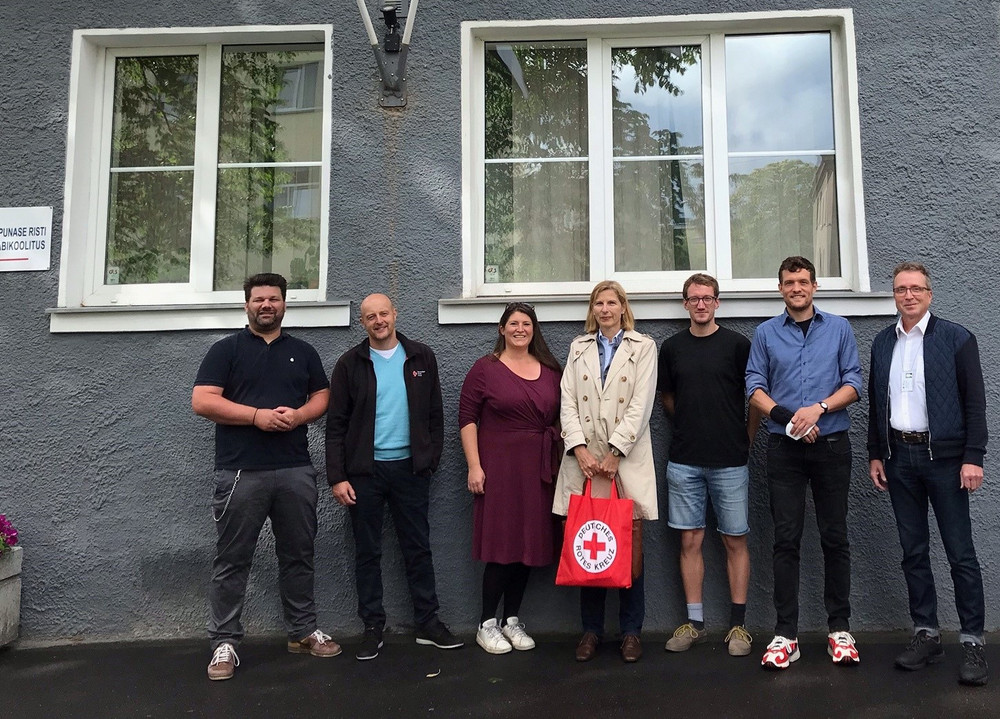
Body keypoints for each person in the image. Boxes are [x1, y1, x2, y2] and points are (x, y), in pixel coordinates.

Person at [193, 273, 341, 682]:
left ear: (284, 304)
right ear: (246, 305)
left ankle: (303, 631)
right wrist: (256, 417)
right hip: (240, 471)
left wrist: (300, 415)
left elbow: (322, 396)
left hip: (295, 469)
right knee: (232, 560)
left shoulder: (304, 352)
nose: (266, 305)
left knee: (299, 554)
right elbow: (202, 400)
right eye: (258, 299)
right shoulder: (226, 351)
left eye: (273, 299)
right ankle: (224, 643)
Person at [868, 262, 988, 686]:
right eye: (901, 289)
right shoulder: (883, 343)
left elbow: (975, 403)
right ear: (894, 296)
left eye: (916, 288)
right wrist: (876, 453)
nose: (909, 295)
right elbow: (876, 404)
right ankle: (927, 633)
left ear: (930, 294)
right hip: (899, 459)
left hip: (948, 462)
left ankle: (972, 640)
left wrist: (974, 456)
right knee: (913, 551)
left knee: (960, 553)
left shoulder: (957, 339)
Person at [326, 293, 462, 661]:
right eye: (370, 316)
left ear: (395, 314)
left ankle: (428, 624)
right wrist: (337, 477)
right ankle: (373, 627)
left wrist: (430, 459)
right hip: (364, 474)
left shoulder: (420, 357)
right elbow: (335, 425)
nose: (378, 320)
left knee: (417, 548)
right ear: (363, 322)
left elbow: (435, 413)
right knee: (367, 552)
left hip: (410, 471)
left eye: (383, 313)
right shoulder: (350, 363)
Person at [745, 256, 863, 670]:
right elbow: (754, 386)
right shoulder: (764, 334)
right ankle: (786, 634)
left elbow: (853, 382)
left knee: (835, 537)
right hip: (784, 449)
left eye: (803, 281)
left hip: (832, 446)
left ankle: (839, 630)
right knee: (785, 539)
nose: (797, 287)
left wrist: (817, 409)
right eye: (789, 282)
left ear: (815, 287)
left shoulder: (840, 328)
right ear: (781, 289)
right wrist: (790, 418)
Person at [553, 280, 658, 664]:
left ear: (622, 307)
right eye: (599, 302)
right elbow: (566, 401)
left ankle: (631, 632)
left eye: (612, 302)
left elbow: (641, 403)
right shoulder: (578, 347)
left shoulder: (643, 347)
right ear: (593, 309)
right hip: (585, 462)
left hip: (624, 460)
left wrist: (616, 451)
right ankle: (591, 631)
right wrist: (579, 448)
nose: (605, 308)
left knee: (628, 547)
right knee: (589, 547)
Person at [659, 273, 762, 658]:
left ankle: (738, 625)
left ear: (718, 302)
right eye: (693, 298)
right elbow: (667, 398)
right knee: (689, 541)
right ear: (685, 304)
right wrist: (690, 420)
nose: (701, 304)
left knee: (734, 539)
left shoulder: (738, 346)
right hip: (684, 460)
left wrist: (746, 437)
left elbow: (755, 398)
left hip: (730, 461)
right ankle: (695, 623)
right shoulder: (671, 348)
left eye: (707, 298)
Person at [459, 302, 563, 654]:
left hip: (538, 470)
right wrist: (475, 466)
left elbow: (565, 416)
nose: (520, 329)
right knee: (501, 547)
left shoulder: (550, 370)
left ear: (534, 330)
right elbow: (467, 419)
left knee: (527, 546)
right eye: (513, 323)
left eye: (527, 323)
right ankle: (487, 623)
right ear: (501, 329)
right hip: (499, 470)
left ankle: (512, 620)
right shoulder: (485, 369)